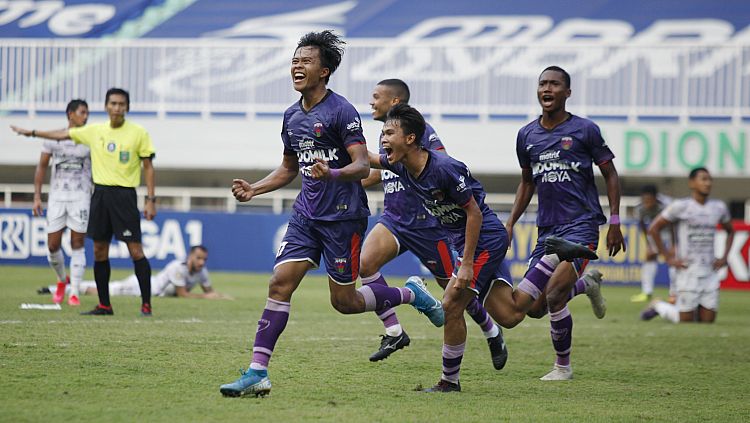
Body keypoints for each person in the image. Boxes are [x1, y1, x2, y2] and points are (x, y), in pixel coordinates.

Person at [220, 31, 444, 398]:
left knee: (345, 303)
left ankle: (411, 295)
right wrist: (254, 189)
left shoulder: (341, 111)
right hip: (306, 216)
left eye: (305, 61)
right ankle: (258, 372)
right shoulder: (291, 116)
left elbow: (360, 165)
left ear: (324, 71)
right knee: (279, 284)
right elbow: (289, 168)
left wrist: (334, 172)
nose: (297, 66)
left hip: (343, 218)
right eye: (294, 60)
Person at [368, 103, 597, 392]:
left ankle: (449, 382)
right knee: (511, 315)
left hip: (485, 239)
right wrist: (331, 166)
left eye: (389, 132)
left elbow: (474, 213)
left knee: (452, 302)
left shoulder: (445, 169)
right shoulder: (398, 165)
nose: (384, 138)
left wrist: (465, 263)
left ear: (411, 138)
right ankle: (551, 257)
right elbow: (368, 160)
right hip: (467, 242)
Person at [360, 78, 507, 368]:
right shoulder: (387, 136)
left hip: (429, 225)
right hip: (395, 219)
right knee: (365, 264)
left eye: (376, 97)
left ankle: (491, 329)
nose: (371, 102)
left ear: (395, 102)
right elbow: (384, 170)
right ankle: (393, 331)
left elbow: (439, 163)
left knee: (455, 293)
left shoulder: (420, 132)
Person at [505, 65, 625, 381]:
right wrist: (510, 223)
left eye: (555, 84)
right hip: (548, 232)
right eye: (543, 83)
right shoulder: (526, 135)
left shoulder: (585, 131)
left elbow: (610, 174)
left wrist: (614, 221)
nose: (547, 89)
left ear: (567, 92)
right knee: (533, 308)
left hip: (582, 226)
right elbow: (527, 182)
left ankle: (563, 368)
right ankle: (587, 285)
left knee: (556, 294)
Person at [12, 87, 157, 317]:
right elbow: (62, 135)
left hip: (125, 196)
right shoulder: (94, 131)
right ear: (106, 106)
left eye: (121, 104)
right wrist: (31, 132)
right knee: (99, 250)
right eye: (113, 103)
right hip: (99, 195)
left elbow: (148, 167)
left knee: (135, 250)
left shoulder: (138, 133)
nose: (117, 108)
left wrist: (150, 199)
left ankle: (146, 303)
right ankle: (105, 305)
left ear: (127, 107)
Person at [641, 168, 734, 323]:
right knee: (686, 321)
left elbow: (731, 231)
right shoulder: (680, 206)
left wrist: (724, 257)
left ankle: (677, 307)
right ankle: (659, 306)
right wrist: (668, 257)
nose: (708, 183)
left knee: (707, 322)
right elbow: (654, 228)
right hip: (687, 270)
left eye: (709, 179)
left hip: (709, 270)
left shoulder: (718, 207)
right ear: (692, 183)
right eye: (703, 179)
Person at [32, 99, 91, 306]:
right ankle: (61, 280)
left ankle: (74, 291)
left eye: (87, 113)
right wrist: (38, 196)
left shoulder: (90, 139)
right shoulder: (52, 139)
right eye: (82, 112)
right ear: (70, 114)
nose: (86, 117)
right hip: (57, 197)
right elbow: (41, 167)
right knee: (52, 245)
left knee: (77, 243)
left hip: (81, 197)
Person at [38, 245, 231, 300]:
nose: (201, 262)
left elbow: (208, 291)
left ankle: (66, 286)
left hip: (148, 288)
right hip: (141, 287)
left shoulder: (201, 271)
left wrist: (219, 296)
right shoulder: (177, 268)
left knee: (102, 288)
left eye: (204, 259)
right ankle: (56, 287)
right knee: (101, 290)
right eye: (198, 258)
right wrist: (208, 297)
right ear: (190, 256)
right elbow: (183, 295)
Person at [631, 185, 673, 303]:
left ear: (656, 198)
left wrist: (673, 244)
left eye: (650, 201)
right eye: (645, 201)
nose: (647, 204)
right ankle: (647, 292)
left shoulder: (666, 206)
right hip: (654, 233)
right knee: (649, 256)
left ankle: (674, 292)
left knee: (671, 258)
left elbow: (672, 225)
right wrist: (649, 243)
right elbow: (642, 225)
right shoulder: (639, 208)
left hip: (669, 233)